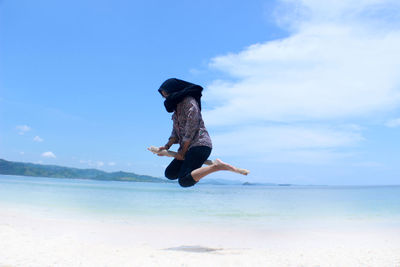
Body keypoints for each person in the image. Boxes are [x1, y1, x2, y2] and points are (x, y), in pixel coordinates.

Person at [158, 78, 237, 187]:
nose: (166, 98)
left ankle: (216, 167)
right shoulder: (177, 109)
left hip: (200, 145)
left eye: (166, 95)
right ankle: (196, 169)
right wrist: (166, 147)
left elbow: (192, 127)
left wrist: (183, 151)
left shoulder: (189, 101)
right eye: (163, 96)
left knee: (184, 181)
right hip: (187, 148)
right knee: (170, 174)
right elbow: (175, 133)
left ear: (174, 91)